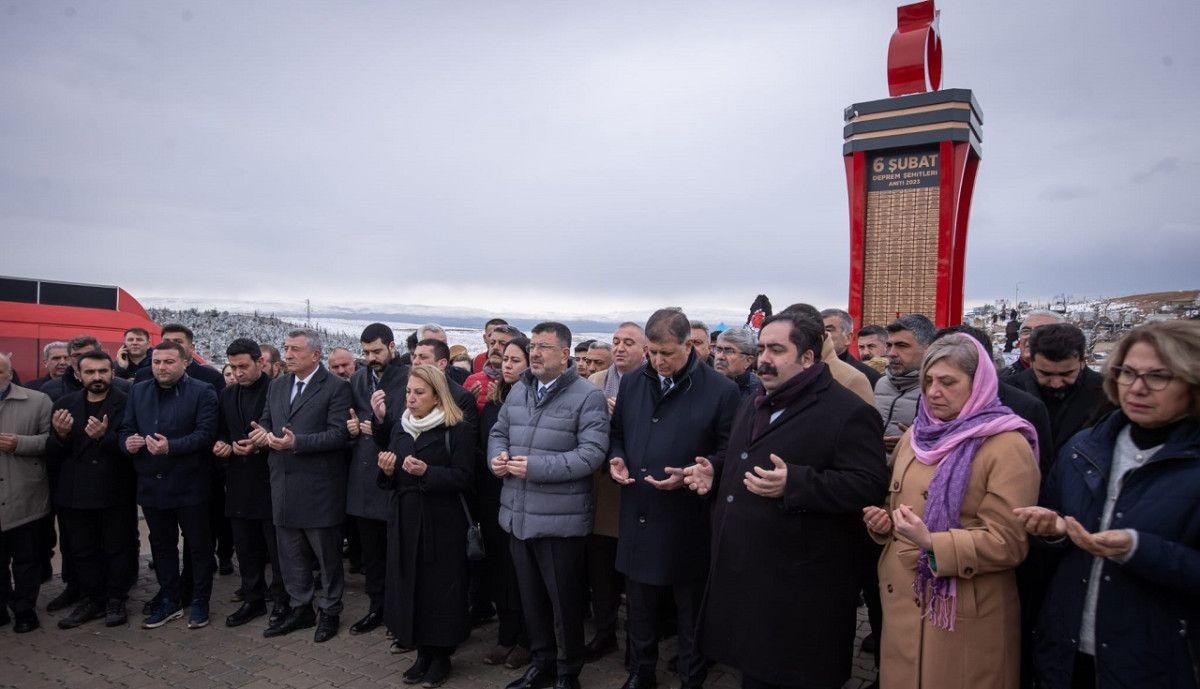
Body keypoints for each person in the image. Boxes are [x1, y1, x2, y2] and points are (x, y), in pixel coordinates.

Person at [687, 311, 889, 689]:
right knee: (755, 674)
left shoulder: (848, 412)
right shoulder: (757, 400)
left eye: (777, 349)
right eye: (762, 348)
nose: (764, 358)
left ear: (808, 358)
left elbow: (868, 485)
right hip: (748, 576)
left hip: (803, 588)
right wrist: (715, 471)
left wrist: (797, 482)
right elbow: (741, 455)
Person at [1014, 320, 1200, 689]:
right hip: (1068, 648)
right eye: (1127, 372)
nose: (1137, 387)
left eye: (1159, 376)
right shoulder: (1084, 448)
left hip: (1158, 660)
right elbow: (1056, 524)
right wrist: (1052, 531)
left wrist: (1140, 549)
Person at [863, 333, 1040, 689]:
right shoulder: (918, 434)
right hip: (904, 601)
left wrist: (933, 542)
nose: (933, 391)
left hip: (963, 612)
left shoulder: (1006, 445)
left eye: (948, 382)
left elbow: (1009, 542)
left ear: (978, 385)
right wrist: (881, 521)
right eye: (928, 380)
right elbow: (893, 500)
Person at [608, 308, 740, 689]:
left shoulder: (721, 391)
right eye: (653, 352)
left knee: (690, 609)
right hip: (638, 509)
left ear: (690, 346)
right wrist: (616, 457)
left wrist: (697, 472)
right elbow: (617, 433)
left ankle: (691, 676)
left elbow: (730, 450)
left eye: (668, 353)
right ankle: (641, 672)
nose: (659, 361)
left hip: (688, 518)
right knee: (640, 603)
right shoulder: (633, 383)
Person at [488, 322, 610, 689]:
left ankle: (567, 672)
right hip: (518, 517)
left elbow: (592, 454)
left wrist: (536, 468)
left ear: (564, 354)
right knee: (533, 602)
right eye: (534, 345)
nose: (536, 353)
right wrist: (497, 458)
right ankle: (540, 665)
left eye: (544, 346)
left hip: (560, 523)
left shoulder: (587, 396)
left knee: (564, 605)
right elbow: (498, 432)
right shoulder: (518, 392)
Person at [250, 329, 352, 642]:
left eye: (295, 349)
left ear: (315, 355)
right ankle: (300, 608)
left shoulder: (335, 387)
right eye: (286, 348)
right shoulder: (278, 385)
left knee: (326, 555)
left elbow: (339, 434)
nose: (288, 354)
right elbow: (267, 419)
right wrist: (262, 434)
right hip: (282, 482)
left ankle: (330, 610)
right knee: (290, 553)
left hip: (319, 486)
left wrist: (298, 443)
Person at [377, 365, 475, 688]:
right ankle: (420, 650)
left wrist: (427, 473)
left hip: (442, 522)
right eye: (408, 392)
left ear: (437, 396)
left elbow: (464, 477)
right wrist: (388, 469)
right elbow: (391, 478)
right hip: (406, 518)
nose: (411, 399)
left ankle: (441, 656)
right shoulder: (401, 428)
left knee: (440, 589)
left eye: (419, 393)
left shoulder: (456, 427)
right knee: (410, 584)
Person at [119, 340, 219, 630]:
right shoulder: (138, 391)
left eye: (168, 362)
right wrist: (128, 442)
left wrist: (170, 447)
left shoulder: (203, 392)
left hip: (191, 484)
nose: (161, 367)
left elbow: (205, 434)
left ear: (185, 363)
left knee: (198, 546)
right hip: (152, 484)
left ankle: (200, 601)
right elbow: (126, 428)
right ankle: (170, 599)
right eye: (157, 362)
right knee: (162, 546)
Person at [46, 350, 137, 629]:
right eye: (90, 372)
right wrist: (60, 436)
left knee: (117, 547)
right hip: (75, 492)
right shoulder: (64, 404)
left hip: (115, 489)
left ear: (112, 372)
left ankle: (115, 599)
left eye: (102, 371)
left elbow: (130, 448)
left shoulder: (127, 402)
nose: (97, 377)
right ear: (78, 375)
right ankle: (92, 598)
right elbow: (52, 452)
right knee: (82, 550)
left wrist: (105, 438)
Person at [584, 322, 649, 662]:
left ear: (645, 349)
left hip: (636, 488)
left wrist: (623, 416)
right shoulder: (596, 382)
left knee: (635, 576)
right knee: (601, 568)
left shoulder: (651, 383)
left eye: (629, 342)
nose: (620, 348)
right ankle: (604, 633)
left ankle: (636, 647)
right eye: (616, 342)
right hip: (602, 488)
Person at [213, 338, 287, 629]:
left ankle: (282, 601)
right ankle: (253, 598)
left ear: (260, 362)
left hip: (271, 480)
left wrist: (261, 445)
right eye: (233, 367)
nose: (238, 372)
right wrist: (221, 445)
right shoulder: (228, 395)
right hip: (239, 482)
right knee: (245, 548)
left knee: (277, 550)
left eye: (244, 366)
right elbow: (220, 431)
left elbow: (286, 431)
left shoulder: (278, 391)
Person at [345, 323, 407, 637]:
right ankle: (376, 608)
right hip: (363, 477)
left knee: (396, 553)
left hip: (394, 474)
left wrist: (381, 426)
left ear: (392, 347)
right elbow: (347, 419)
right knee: (371, 553)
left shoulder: (408, 378)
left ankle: (398, 613)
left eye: (377, 351)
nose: (371, 357)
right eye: (366, 352)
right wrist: (353, 428)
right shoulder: (357, 379)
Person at [478, 336, 532, 669]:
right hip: (492, 493)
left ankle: (527, 638)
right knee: (499, 567)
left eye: (515, 360)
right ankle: (506, 634)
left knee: (521, 572)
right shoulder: (495, 399)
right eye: (505, 360)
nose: (507, 365)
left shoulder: (530, 400)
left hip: (521, 492)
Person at [0, 353, 53, 633]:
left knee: (26, 561)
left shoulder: (37, 401)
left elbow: (51, 440)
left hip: (25, 494)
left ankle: (24, 609)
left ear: (9, 374)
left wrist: (20, 443)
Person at [1011, 323, 1114, 457]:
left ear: (1083, 361)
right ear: (1031, 361)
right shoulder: (1009, 392)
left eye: (1066, 374)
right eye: (1045, 374)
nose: (1056, 384)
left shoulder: (1108, 394)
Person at [875, 314, 936, 456]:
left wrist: (914, 442)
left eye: (902, 346)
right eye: (889, 346)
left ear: (928, 348)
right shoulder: (880, 383)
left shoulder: (938, 390)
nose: (891, 353)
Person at [465, 325, 523, 413]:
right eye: (492, 343)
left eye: (502, 344)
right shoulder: (472, 380)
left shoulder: (526, 385)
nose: (495, 347)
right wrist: (469, 403)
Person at [999, 310, 1066, 381]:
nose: (1031, 336)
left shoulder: (1074, 379)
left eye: (1041, 331)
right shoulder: (998, 381)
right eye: (1026, 331)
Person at [712, 327, 761, 399]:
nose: (720, 356)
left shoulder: (759, 392)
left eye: (729, 351)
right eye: (718, 350)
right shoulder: (702, 383)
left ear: (748, 360)